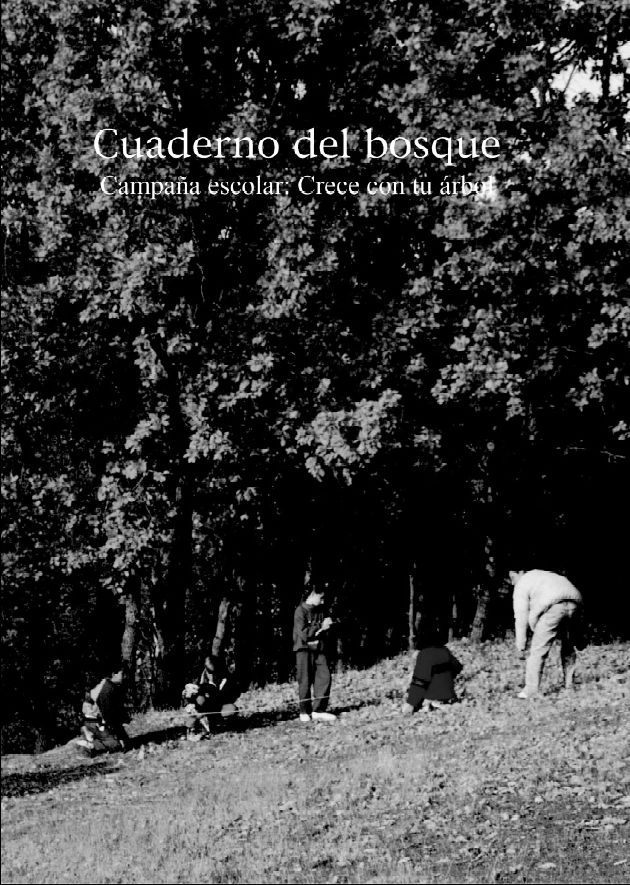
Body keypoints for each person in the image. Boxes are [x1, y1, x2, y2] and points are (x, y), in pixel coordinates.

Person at [509, 568, 583, 699]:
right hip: (574, 601)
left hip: (553, 606)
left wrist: (521, 645)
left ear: (520, 573)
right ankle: (570, 685)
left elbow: (521, 616)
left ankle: (531, 690)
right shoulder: (541, 574)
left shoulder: (522, 584)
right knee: (568, 646)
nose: (512, 582)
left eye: (512, 578)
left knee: (538, 650)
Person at [293, 586, 336, 723]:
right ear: (312, 595)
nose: (322, 601)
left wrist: (329, 625)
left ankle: (319, 710)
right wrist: (320, 627)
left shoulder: (321, 610)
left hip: (319, 649)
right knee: (305, 679)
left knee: (325, 676)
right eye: (321, 598)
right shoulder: (300, 611)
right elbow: (304, 633)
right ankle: (304, 711)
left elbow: (326, 628)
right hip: (304, 649)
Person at [402, 629, 463, 714]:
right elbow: (458, 667)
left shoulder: (425, 655)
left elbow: (419, 682)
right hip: (450, 697)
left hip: (433, 700)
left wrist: (411, 703)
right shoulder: (445, 651)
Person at [183, 655, 241, 740]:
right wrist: (188, 701)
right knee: (200, 701)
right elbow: (188, 694)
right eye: (209, 671)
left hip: (218, 707)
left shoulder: (227, 678)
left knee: (232, 709)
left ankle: (219, 724)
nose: (212, 674)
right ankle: (193, 728)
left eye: (215, 671)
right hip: (201, 708)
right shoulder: (198, 677)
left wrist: (214, 693)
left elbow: (231, 697)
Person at [77, 666, 130, 754]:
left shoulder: (109, 685)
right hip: (94, 722)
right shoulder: (107, 690)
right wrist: (120, 736)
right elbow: (109, 715)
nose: (124, 677)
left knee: (124, 742)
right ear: (114, 674)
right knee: (117, 745)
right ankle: (91, 744)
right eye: (122, 674)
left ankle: (91, 735)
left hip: (95, 720)